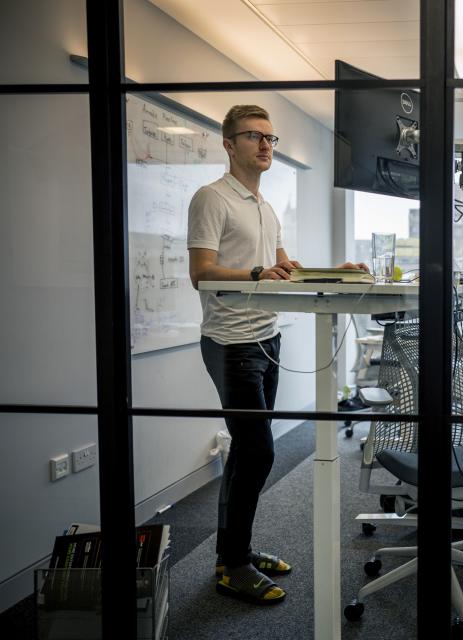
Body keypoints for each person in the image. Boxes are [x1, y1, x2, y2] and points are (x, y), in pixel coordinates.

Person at [188, 105, 367, 605]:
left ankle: (233, 553)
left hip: (266, 337)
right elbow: (200, 272)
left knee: (247, 451)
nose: (267, 145)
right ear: (229, 144)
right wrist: (253, 275)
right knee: (261, 451)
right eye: (255, 137)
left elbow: (286, 268)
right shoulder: (212, 198)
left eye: (271, 138)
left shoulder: (265, 206)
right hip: (230, 342)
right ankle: (235, 564)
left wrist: (340, 271)